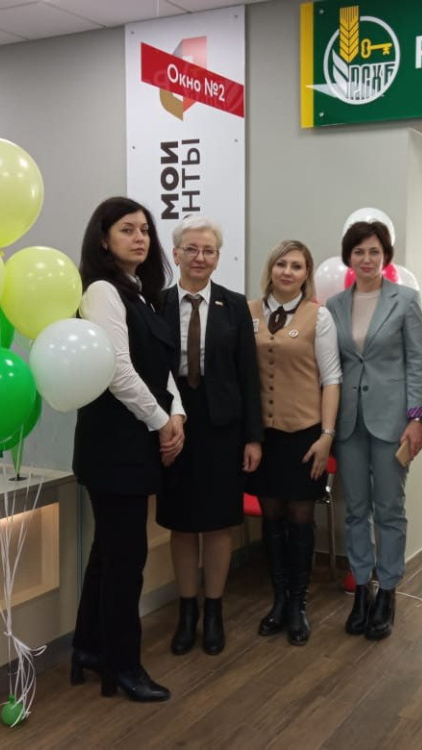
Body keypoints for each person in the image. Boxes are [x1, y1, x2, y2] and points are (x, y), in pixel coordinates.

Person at [71, 196, 185, 702]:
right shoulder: (102, 291)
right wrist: (162, 422)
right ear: (103, 239)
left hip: (136, 440)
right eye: (127, 230)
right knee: (125, 559)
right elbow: (117, 370)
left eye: (144, 230)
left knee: (110, 553)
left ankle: (90, 647)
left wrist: (176, 414)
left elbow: (161, 368)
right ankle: (123, 666)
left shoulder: (143, 293)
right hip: (113, 445)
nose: (140, 238)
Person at [158, 216, 263, 657]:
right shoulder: (156, 303)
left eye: (209, 251)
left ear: (218, 258)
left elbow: (249, 375)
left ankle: (214, 611)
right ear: (176, 253)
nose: (200, 257)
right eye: (192, 249)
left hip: (223, 426)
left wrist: (253, 438)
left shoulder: (235, 306)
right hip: (174, 423)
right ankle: (187, 612)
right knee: (181, 523)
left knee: (219, 523)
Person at [326, 220, 422, 641]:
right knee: (355, 510)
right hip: (349, 420)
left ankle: (387, 591)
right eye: (358, 252)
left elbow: (417, 361)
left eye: (374, 251)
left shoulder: (405, 300)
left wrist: (417, 418)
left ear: (385, 256)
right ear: (348, 258)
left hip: (393, 420)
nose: (366, 259)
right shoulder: (334, 305)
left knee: (389, 508)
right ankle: (361, 591)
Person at [247, 240, 341, 646]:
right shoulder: (248, 312)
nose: (288, 272)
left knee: (301, 516)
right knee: (270, 517)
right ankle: (279, 599)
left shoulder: (319, 316)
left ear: (307, 274)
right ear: (271, 268)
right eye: (281, 264)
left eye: (297, 266)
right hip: (262, 437)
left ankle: (299, 604)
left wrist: (326, 436)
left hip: (304, 433)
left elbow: (331, 379)